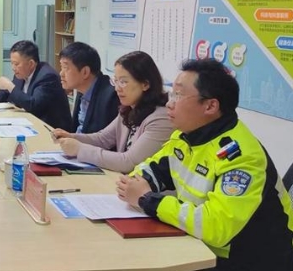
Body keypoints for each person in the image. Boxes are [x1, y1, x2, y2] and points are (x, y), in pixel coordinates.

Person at [117, 59, 293, 270]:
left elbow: (216, 227)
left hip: (250, 258)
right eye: (171, 93)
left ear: (210, 106)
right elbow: (151, 169)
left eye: (179, 95)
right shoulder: (184, 136)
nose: (169, 103)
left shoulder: (241, 157)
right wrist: (136, 185)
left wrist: (148, 200)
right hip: (199, 244)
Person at [53, 51, 173, 173]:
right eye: (115, 81)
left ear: (145, 84)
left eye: (123, 82)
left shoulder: (161, 119)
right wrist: (71, 137)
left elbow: (128, 162)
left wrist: (79, 149)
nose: (117, 88)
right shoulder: (129, 109)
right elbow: (103, 139)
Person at [0, 40, 72, 131]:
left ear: (31, 64)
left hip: (52, 130)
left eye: (16, 64)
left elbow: (33, 106)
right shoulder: (21, 73)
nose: (13, 68)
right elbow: (9, 92)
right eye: (12, 63)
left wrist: (9, 86)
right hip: (29, 124)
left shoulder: (47, 76)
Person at [59, 42, 119, 133]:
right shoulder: (81, 90)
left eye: (66, 68)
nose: (61, 73)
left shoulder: (111, 98)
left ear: (85, 72)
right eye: (61, 67)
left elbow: (106, 138)